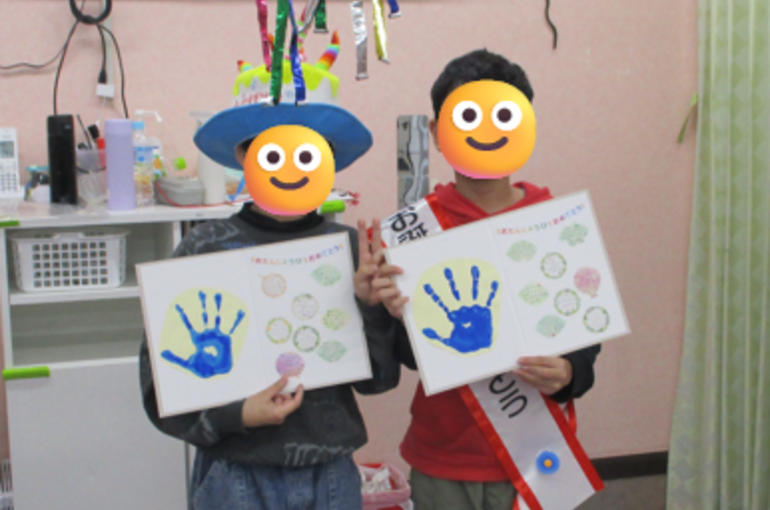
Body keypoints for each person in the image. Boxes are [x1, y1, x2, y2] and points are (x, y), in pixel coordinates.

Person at [139, 88, 402, 509]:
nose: (292, 168)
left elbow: (379, 381)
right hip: (235, 472)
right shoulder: (204, 248)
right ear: (244, 156)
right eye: (274, 154)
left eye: (307, 156)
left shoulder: (350, 250)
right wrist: (237, 414)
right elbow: (159, 392)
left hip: (330, 471)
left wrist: (371, 308)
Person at [372, 49, 602, 510]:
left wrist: (570, 371)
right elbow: (410, 358)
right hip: (441, 454)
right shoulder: (414, 230)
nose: (486, 131)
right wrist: (390, 313)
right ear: (437, 133)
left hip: (533, 454)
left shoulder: (556, 222)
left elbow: (585, 333)